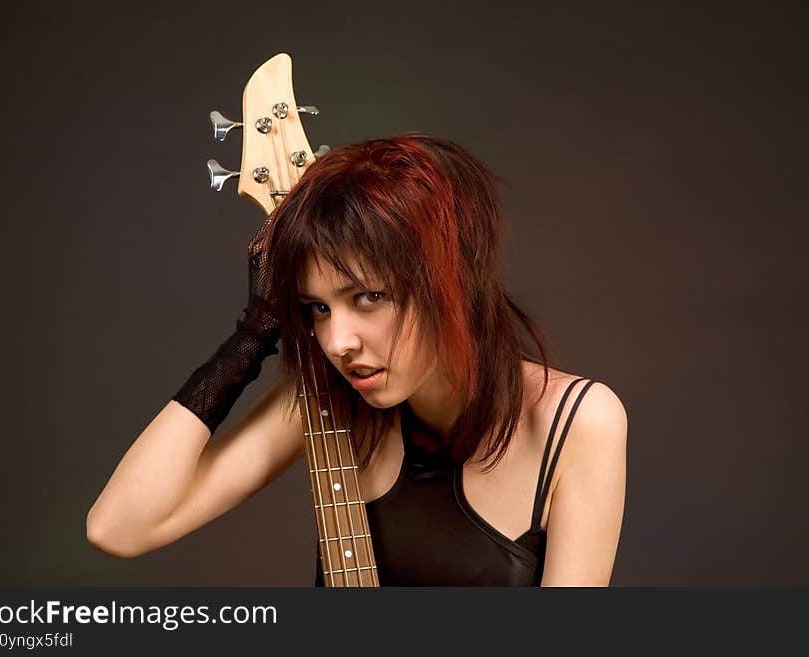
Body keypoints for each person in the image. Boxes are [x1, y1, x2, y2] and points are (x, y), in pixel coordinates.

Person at [86, 132, 627, 586]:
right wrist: (251, 337)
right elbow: (118, 528)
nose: (337, 340)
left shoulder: (578, 422)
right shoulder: (330, 402)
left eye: (368, 297)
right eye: (316, 308)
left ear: (449, 285)